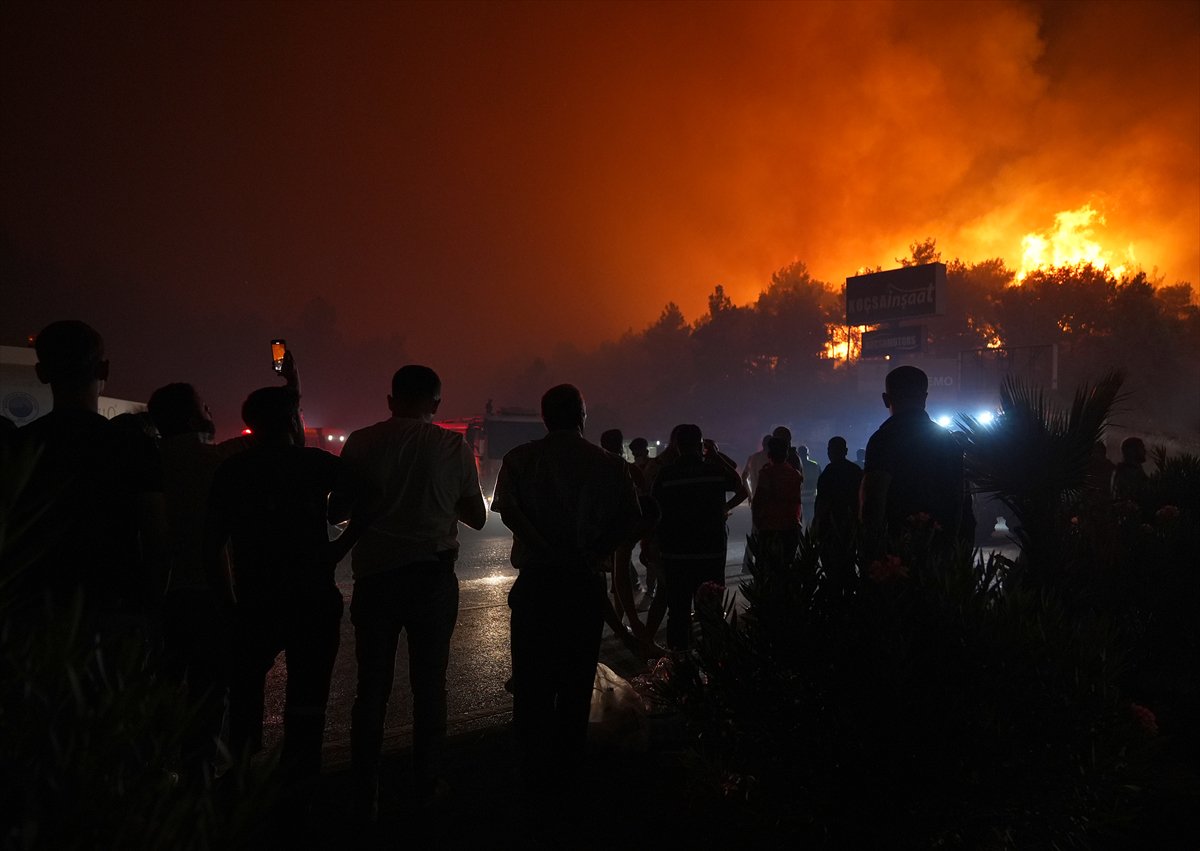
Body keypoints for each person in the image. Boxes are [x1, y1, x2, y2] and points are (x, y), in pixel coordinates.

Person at [328, 365, 486, 820]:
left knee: (371, 687)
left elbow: (339, 510)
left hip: (375, 579)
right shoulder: (452, 447)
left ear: (391, 399)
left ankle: (365, 791)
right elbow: (475, 517)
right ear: (435, 405)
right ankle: (426, 782)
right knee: (429, 684)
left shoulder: (361, 442)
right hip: (431, 578)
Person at [491, 384, 640, 794]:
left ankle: (532, 773)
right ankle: (570, 772)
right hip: (582, 584)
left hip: (537, 585)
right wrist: (593, 550)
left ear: (544, 417)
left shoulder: (519, 459)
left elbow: (508, 513)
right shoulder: (611, 465)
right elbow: (633, 519)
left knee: (532, 682)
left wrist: (542, 545)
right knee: (576, 683)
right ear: (582, 416)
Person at [203, 384, 344, 794]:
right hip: (313, 599)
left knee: (245, 693)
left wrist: (226, 602)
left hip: (255, 600)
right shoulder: (315, 464)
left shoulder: (233, 471)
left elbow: (211, 545)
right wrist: (340, 546)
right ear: (291, 421)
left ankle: (243, 774)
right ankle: (300, 783)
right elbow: (372, 492)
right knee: (308, 698)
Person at [5, 320, 166, 638]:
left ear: (42, 373)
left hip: (35, 617)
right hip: (116, 611)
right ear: (104, 369)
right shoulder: (134, 446)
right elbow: (157, 540)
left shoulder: (18, 446)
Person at [860, 365, 974, 560]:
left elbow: (874, 499)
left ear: (886, 399)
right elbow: (960, 499)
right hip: (941, 554)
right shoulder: (947, 441)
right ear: (925, 397)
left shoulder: (884, 439)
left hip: (895, 556)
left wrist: (872, 554)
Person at [651, 423, 747, 650]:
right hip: (710, 554)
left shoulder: (666, 474)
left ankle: (680, 667)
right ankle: (714, 667)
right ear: (701, 444)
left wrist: (653, 547)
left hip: (676, 555)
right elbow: (741, 488)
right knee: (711, 613)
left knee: (678, 613)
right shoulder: (714, 471)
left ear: (676, 446)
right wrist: (724, 507)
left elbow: (656, 513)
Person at [812, 436, 863, 584]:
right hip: (851, 524)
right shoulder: (855, 470)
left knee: (831, 566)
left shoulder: (829, 472)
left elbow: (823, 501)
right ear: (846, 451)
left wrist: (817, 523)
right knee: (848, 562)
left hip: (830, 525)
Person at [750, 436, 802, 571]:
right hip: (791, 527)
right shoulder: (795, 474)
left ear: (769, 454)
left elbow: (759, 500)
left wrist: (757, 523)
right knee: (786, 568)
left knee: (768, 569)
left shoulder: (767, 474)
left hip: (770, 528)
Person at [1112, 436, 1150, 513]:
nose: (1145, 451)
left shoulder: (1134, 470)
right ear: (1132, 451)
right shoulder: (1126, 472)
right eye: (1141, 448)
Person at [796, 444, 821, 528]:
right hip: (812, 500)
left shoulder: (796, 466)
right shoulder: (815, 465)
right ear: (808, 454)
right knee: (811, 523)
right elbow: (820, 481)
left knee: (800, 524)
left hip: (799, 500)